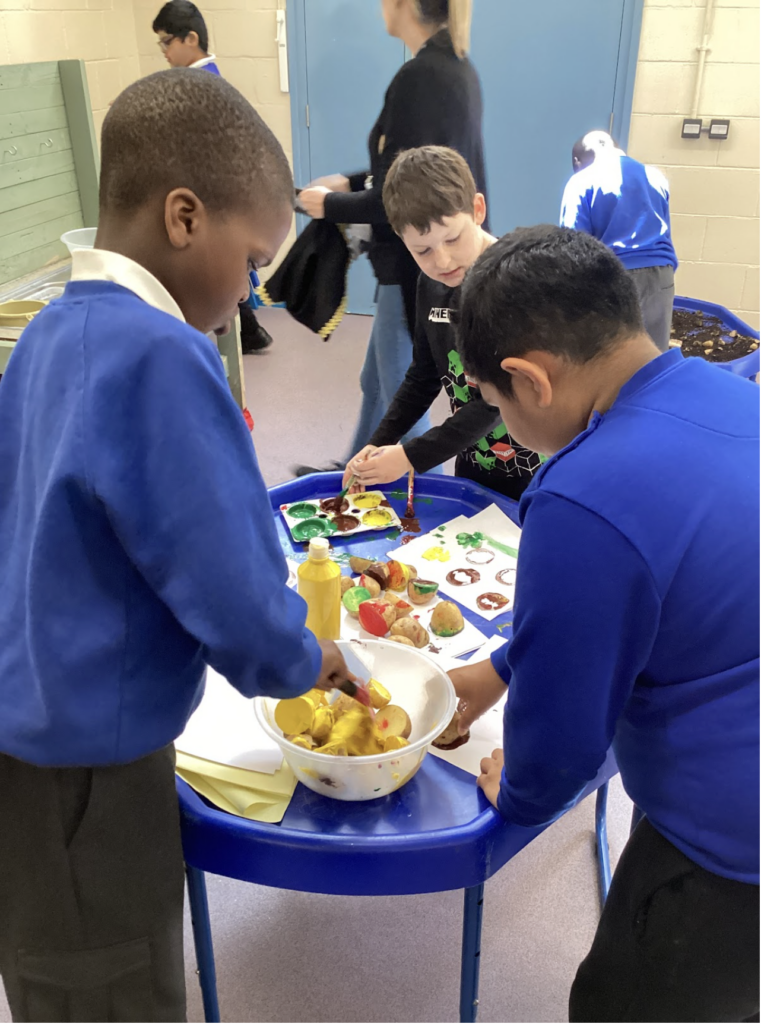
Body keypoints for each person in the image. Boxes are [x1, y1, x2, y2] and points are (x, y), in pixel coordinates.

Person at [0, 70, 354, 1024]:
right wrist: (305, 655)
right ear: (185, 217)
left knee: (52, 971)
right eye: (253, 265)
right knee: (106, 991)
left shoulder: (42, 339)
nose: (249, 292)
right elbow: (231, 586)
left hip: (28, 731)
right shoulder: (164, 355)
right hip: (87, 773)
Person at [449, 225, 759, 1022]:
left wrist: (515, 790)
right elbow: (649, 591)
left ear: (529, 380)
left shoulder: (580, 495)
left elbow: (558, 746)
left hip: (729, 841)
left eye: (491, 404)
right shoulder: (728, 389)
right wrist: (494, 672)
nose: (496, 425)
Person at [296, 0, 487, 476]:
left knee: (409, 395)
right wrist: (351, 179)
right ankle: (355, 471)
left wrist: (330, 206)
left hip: (412, 264)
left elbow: (405, 199)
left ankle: (416, 496)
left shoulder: (423, 75)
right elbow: (409, 172)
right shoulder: (454, 67)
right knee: (379, 381)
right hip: (411, 263)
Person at [343, 146, 541, 500]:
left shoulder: (514, 286)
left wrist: (410, 456)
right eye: (423, 250)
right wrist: (378, 441)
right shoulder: (431, 284)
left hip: (537, 470)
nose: (443, 260)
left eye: (452, 238)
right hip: (474, 460)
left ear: (477, 210)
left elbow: (496, 400)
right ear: (402, 239)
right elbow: (423, 375)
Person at [153, 0, 274, 353]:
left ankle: (233, 338)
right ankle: (247, 332)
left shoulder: (200, 87)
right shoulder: (206, 81)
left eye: (167, 42)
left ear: (191, 39)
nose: (164, 52)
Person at [560, 129, 678, 352]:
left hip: (613, 278)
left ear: (577, 161)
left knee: (609, 361)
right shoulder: (655, 176)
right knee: (655, 360)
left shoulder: (581, 181)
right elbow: (666, 233)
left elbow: (573, 247)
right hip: (662, 274)